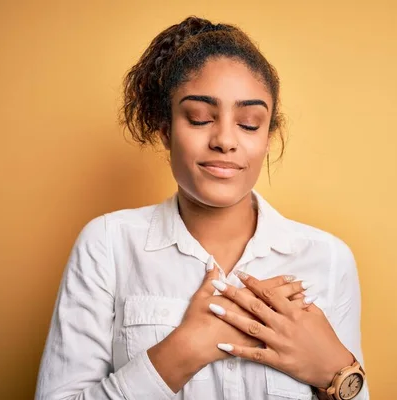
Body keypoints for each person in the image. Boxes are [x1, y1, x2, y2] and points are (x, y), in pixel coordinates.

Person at [35, 16, 369, 400]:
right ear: (166, 130)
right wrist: (186, 348)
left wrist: (335, 372)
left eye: (248, 123)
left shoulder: (327, 258)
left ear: (266, 137)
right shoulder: (108, 244)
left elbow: (351, 388)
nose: (225, 140)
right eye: (200, 118)